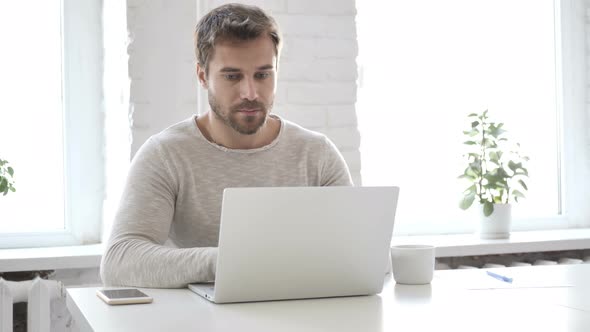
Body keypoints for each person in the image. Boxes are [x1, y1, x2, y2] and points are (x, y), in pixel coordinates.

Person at [100, 3, 352, 288]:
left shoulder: (317, 155)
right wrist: (224, 262)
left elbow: (356, 253)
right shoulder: (166, 155)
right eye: (232, 76)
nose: (250, 93)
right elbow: (119, 262)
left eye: (263, 75)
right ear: (202, 75)